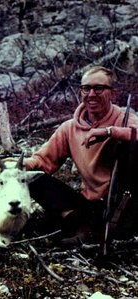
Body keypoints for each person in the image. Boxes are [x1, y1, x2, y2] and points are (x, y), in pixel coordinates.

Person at [23, 65, 138, 244]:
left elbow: (136, 133)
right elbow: (44, 160)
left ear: (112, 93)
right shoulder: (69, 128)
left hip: (124, 202)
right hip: (89, 205)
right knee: (34, 179)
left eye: (98, 88)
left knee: (131, 146)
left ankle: (93, 229)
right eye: (86, 88)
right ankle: (82, 225)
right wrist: (22, 164)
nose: (91, 94)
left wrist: (108, 132)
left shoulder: (123, 118)